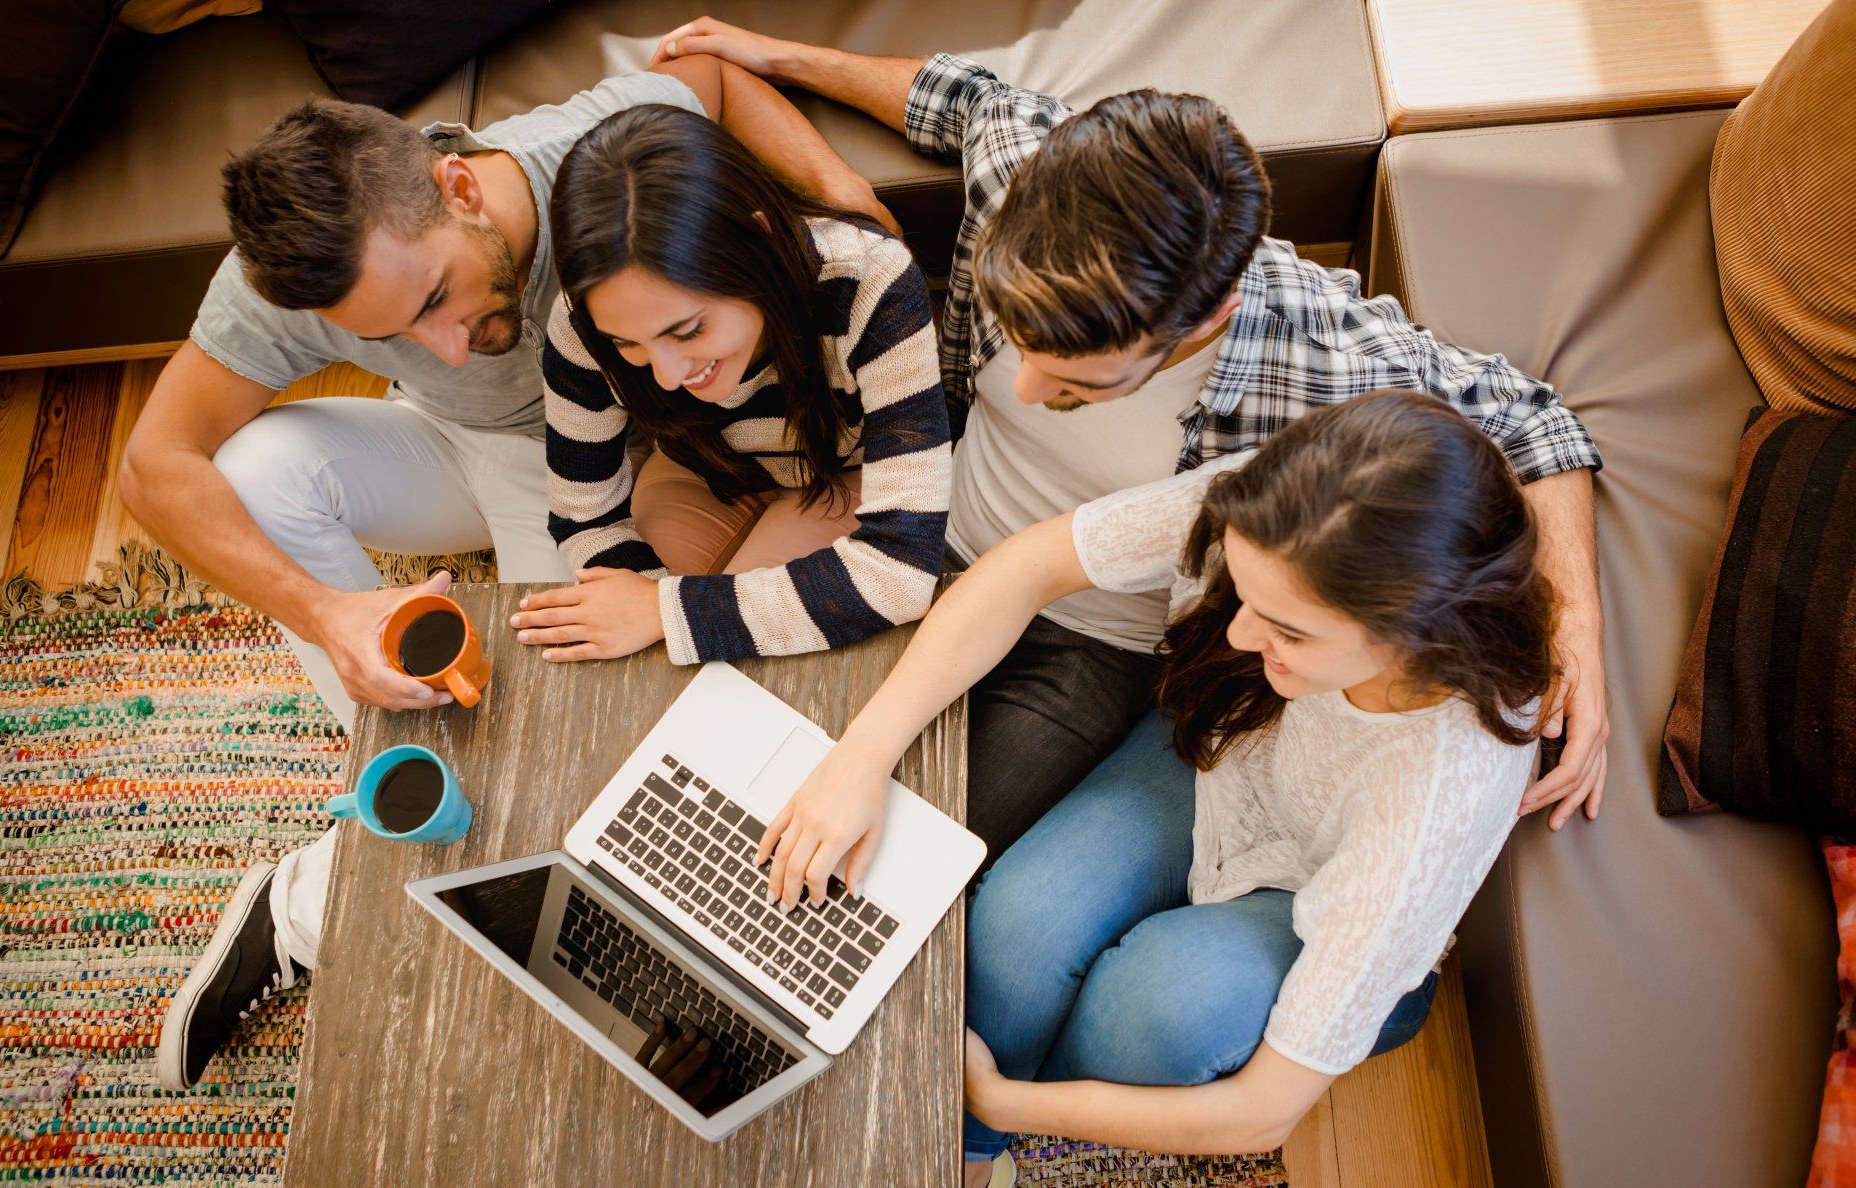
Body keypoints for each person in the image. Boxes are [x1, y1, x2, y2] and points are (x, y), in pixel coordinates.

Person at [646, 21, 1609, 858]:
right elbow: (959, 98)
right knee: (734, 771)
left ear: (1206, 315)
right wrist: (768, 54)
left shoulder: (1321, 345)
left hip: (1093, 644)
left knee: (905, 843)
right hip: (922, 521)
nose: (1022, 388)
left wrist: (1577, 630)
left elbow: (1531, 417)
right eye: (1021, 347)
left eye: (1072, 384)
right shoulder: (1030, 165)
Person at [130, 59, 893, 1092]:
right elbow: (153, 465)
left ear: (457, 186)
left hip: (610, 464)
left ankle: (310, 898)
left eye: (439, 295)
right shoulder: (300, 268)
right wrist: (331, 612)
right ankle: (398, 778)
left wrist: (837, 184)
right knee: (255, 470)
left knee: (555, 739)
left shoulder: (595, 152)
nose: (441, 346)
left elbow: (708, 73)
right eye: (387, 334)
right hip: (462, 450)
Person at [757, 390, 1556, 1188]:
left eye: (1286, 629)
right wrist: (862, 756)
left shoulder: (1435, 797)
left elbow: (1263, 1113)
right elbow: (1028, 565)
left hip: (1316, 896)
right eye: (1242, 595)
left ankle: (984, 1130)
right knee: (1016, 928)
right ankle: (963, 1142)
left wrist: (1000, 1100)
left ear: (1417, 634)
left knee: (1151, 1014)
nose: (1241, 635)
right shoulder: (1294, 506)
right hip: (1226, 755)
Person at [508, 105, 949, 663]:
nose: (667, 376)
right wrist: (649, 610)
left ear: (757, 243)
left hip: (846, 476)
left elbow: (899, 570)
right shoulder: (582, 322)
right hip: (701, 472)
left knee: (726, 650)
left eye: (689, 329)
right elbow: (584, 514)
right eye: (628, 344)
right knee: (631, 645)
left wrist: (662, 610)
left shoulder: (870, 282)